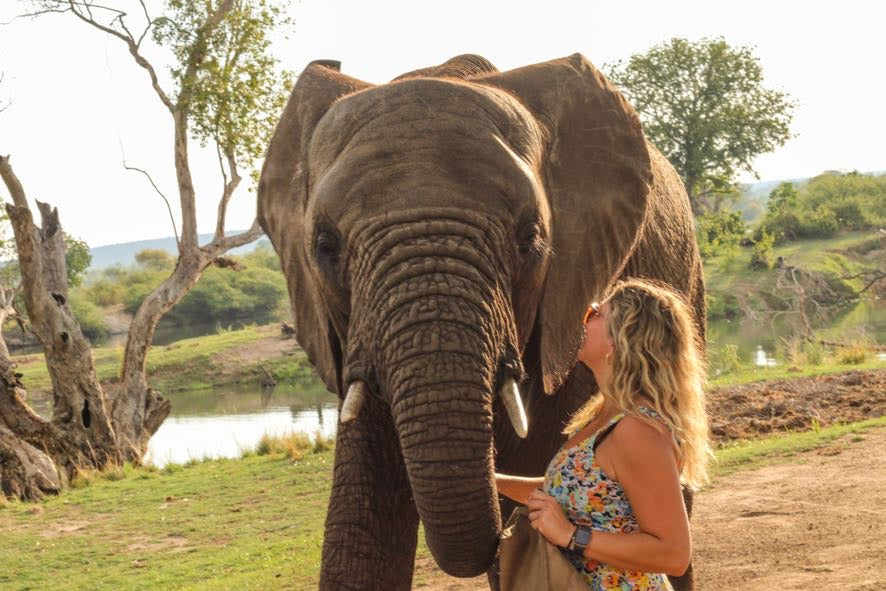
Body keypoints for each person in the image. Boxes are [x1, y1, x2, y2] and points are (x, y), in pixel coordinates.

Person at [496, 278, 712, 590]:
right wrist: (493, 483)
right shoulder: (605, 416)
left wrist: (572, 536)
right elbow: (570, 493)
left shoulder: (637, 430)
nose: (585, 315)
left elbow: (673, 553)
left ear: (622, 337)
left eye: (597, 313)